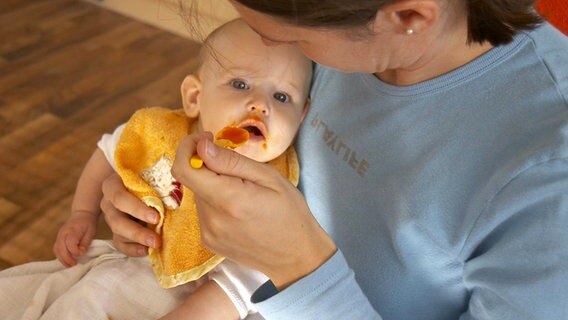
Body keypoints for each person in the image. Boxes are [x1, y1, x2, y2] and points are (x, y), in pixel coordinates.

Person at [101, 0, 568, 319]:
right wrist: (149, 180)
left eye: (296, 41)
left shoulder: (547, 173)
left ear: (408, 13)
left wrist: (301, 269)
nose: (283, 56)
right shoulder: (360, 33)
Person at [53, 18, 312, 320]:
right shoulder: (162, 133)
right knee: (86, 298)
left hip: (218, 304)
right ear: (194, 97)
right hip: (144, 262)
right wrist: (82, 214)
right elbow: (109, 153)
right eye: (240, 84)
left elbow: (245, 282)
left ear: (301, 117)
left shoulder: (276, 189)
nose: (260, 104)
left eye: (281, 97)